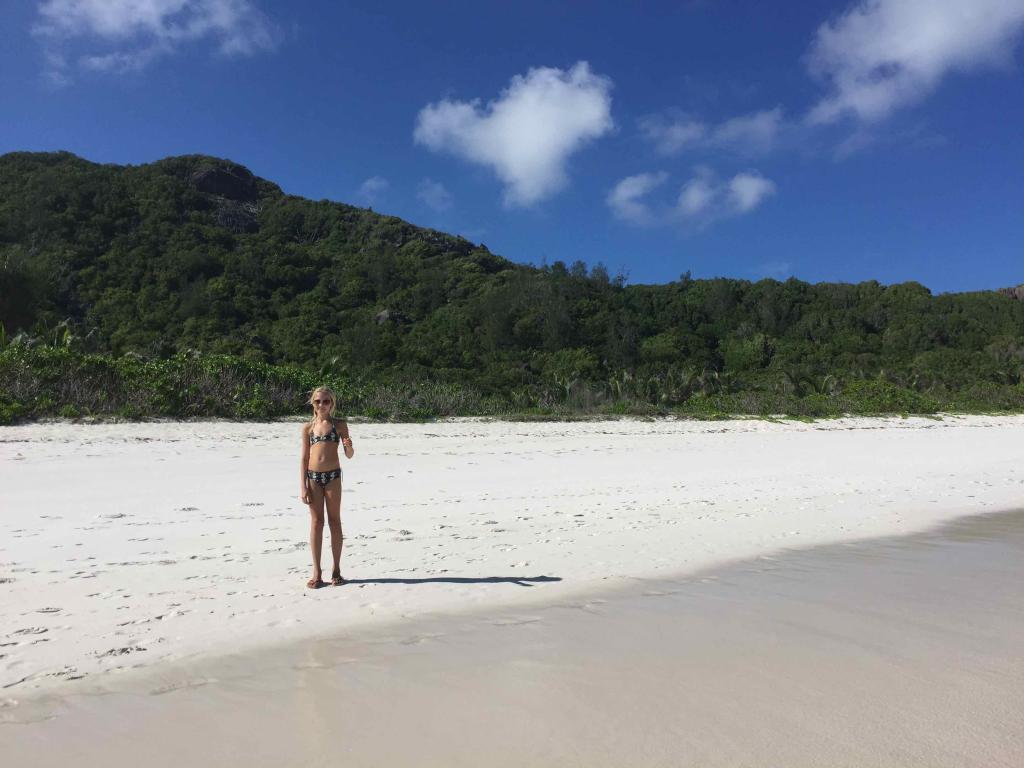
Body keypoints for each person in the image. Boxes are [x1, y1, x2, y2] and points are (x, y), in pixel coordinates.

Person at [300, 386, 354, 588]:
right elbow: (304, 458)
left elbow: (349, 455)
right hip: (313, 478)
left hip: (333, 477)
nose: (322, 405)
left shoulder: (339, 425)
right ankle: (316, 571)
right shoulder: (308, 428)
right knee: (316, 523)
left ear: (332, 403)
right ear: (312, 404)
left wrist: (348, 445)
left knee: (334, 522)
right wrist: (303, 486)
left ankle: (337, 569)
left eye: (326, 401)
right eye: (318, 401)